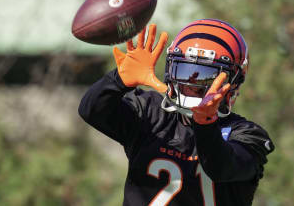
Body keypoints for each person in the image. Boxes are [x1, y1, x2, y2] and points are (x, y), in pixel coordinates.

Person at [78, 19, 274, 206]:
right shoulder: (151, 112)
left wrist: (205, 123)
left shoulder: (247, 134)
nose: (190, 84)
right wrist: (117, 80)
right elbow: (91, 111)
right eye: (184, 71)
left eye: (205, 77)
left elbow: (219, 168)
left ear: (233, 82)